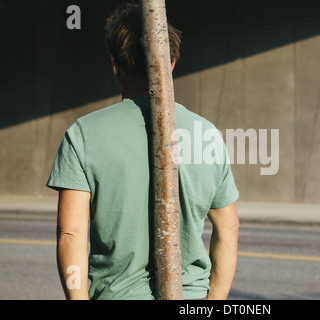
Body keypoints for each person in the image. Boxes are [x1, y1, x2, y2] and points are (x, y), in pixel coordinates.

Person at [46, 3, 239, 300]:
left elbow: (70, 235)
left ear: (115, 65)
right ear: (171, 63)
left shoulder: (83, 135)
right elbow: (228, 228)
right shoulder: (207, 134)